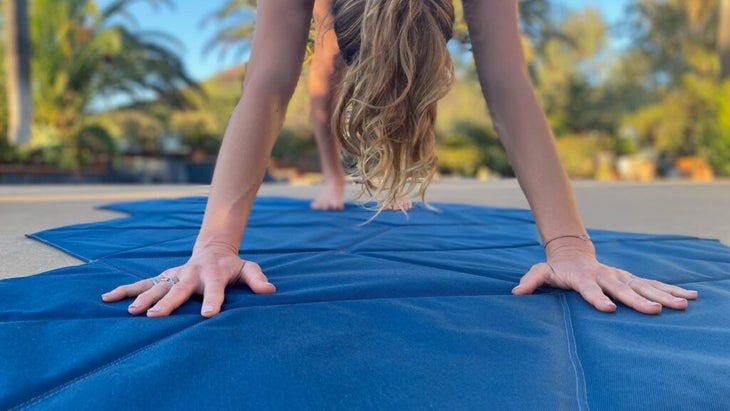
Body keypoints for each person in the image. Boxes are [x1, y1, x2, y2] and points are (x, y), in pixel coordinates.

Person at [102, 0, 697, 318]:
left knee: (404, 79)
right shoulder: (322, 35)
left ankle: (396, 164)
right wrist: (213, 246)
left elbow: (505, 78)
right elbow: (268, 82)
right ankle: (344, 172)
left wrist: (571, 247)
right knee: (315, 94)